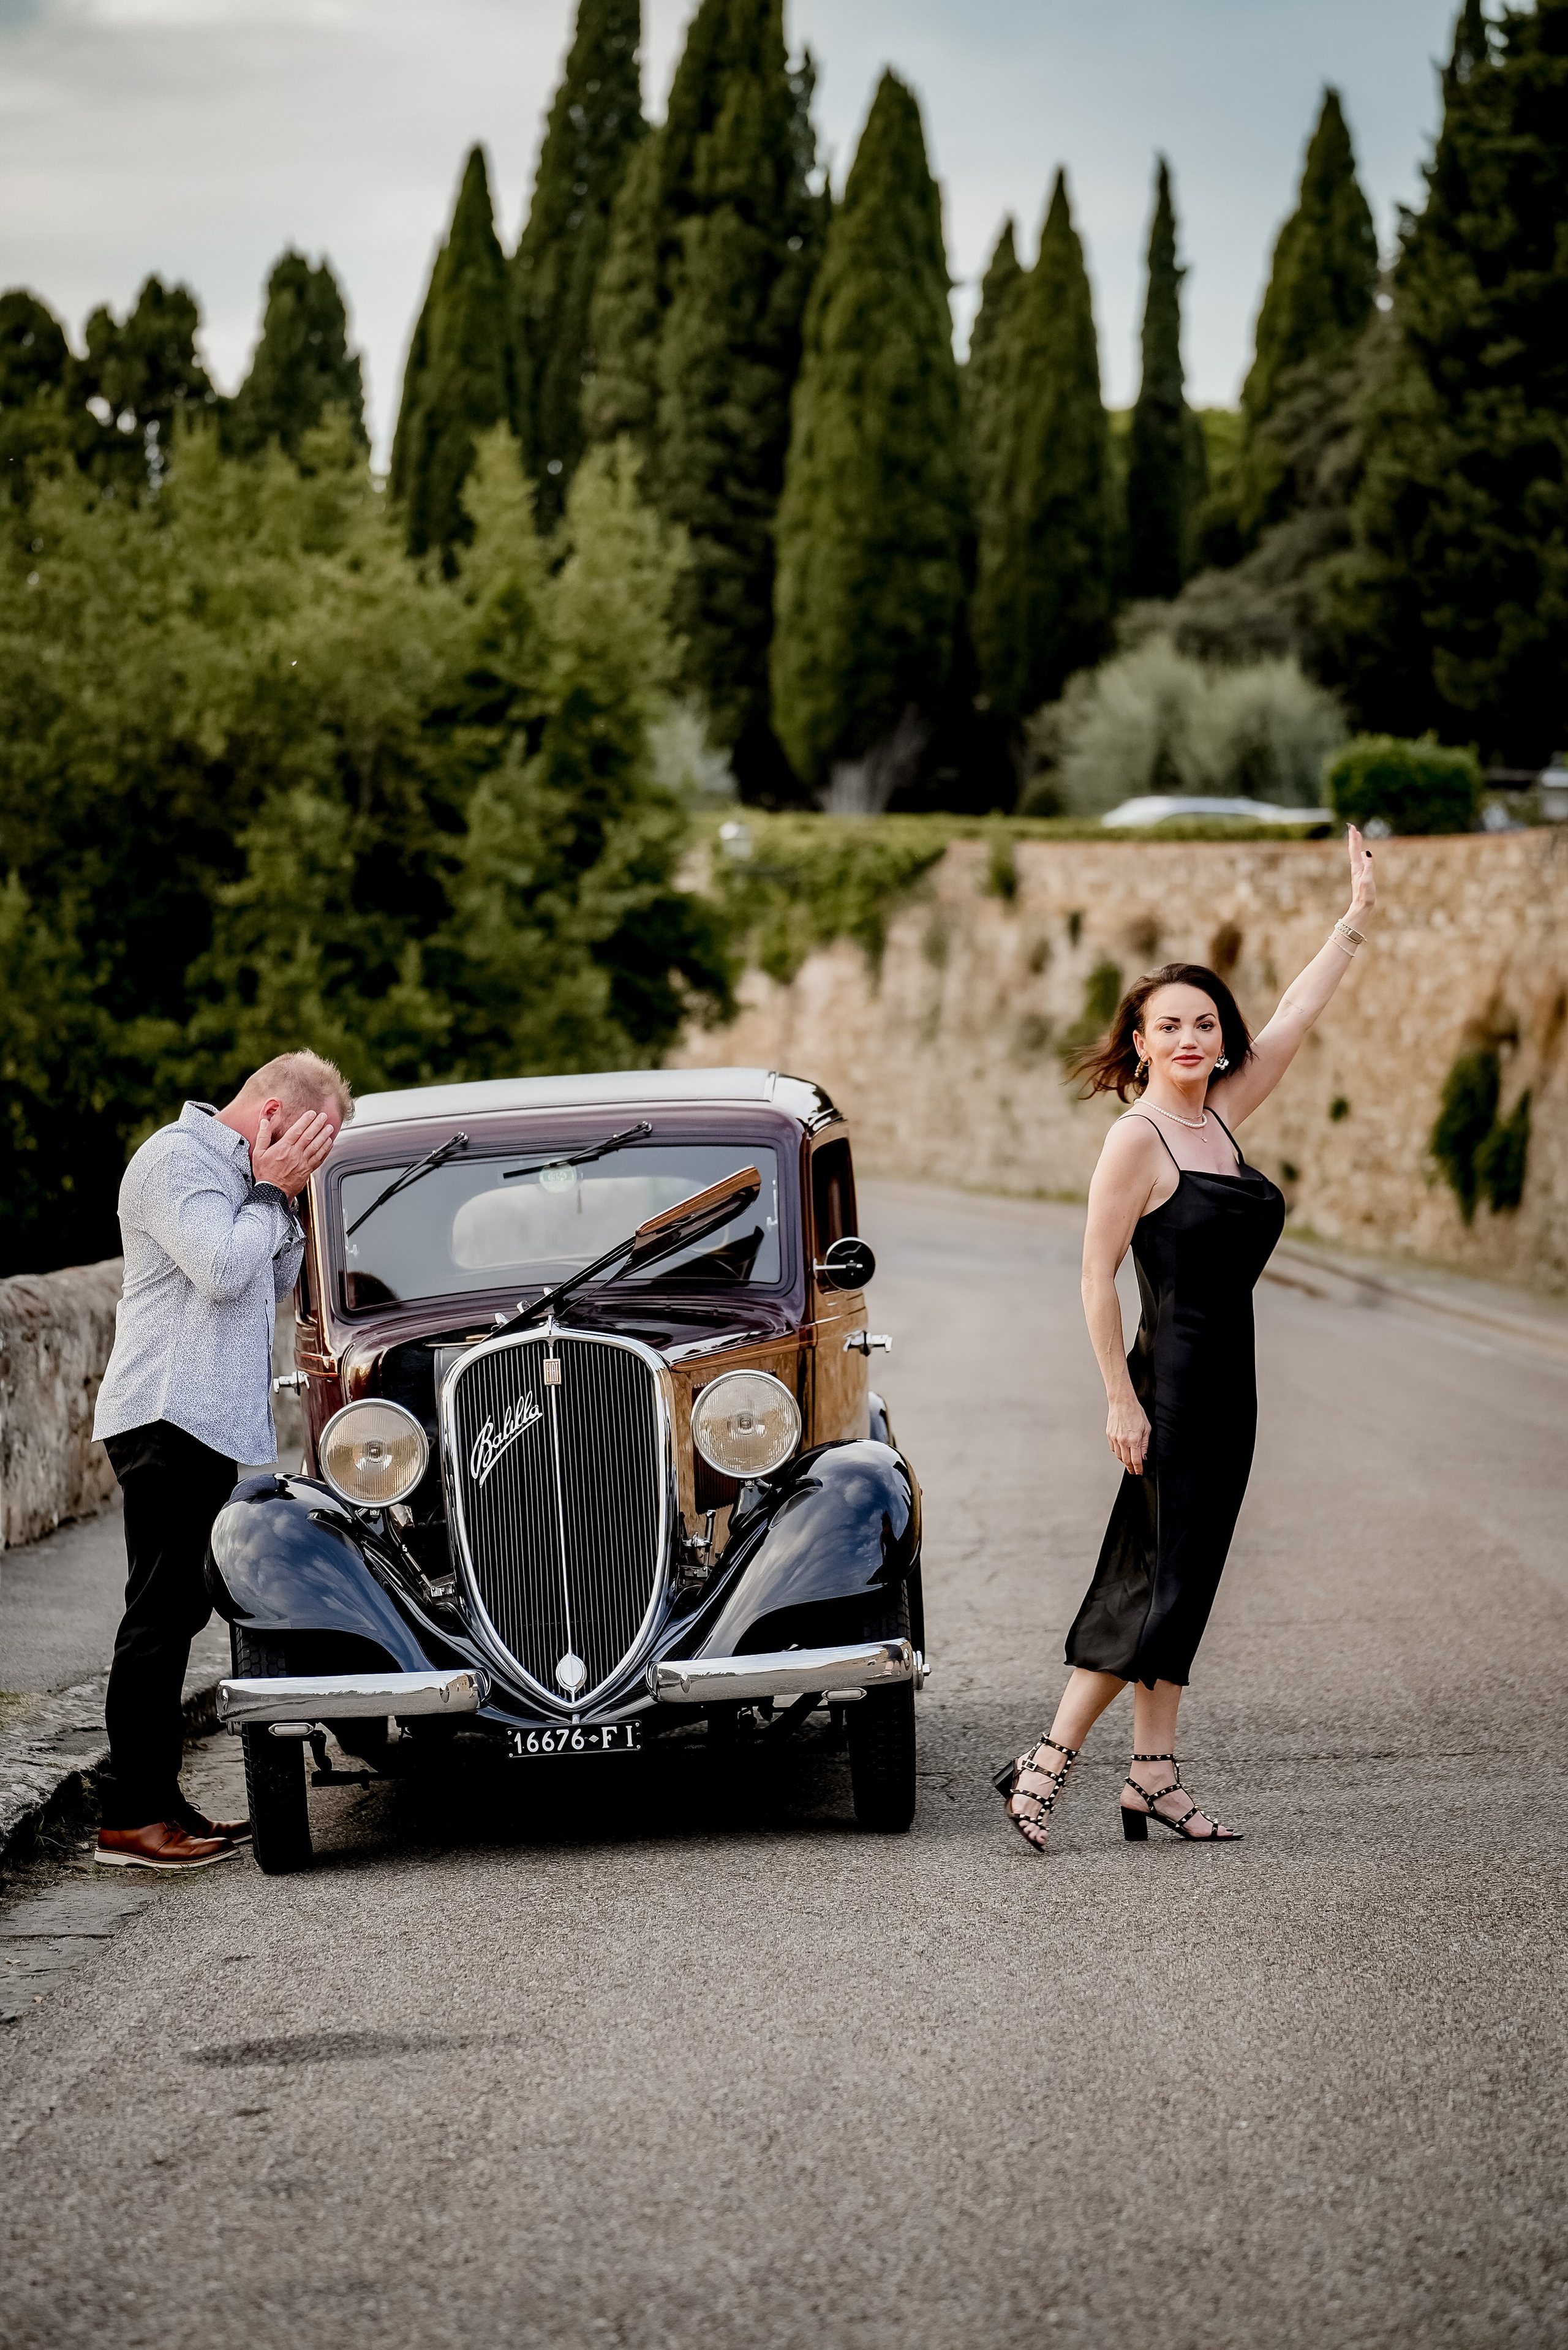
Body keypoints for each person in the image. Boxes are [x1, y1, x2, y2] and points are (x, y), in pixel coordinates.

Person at [996, 827, 1378, 1851]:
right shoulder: (1139, 1139)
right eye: (1169, 1026)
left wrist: (1354, 921)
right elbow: (1094, 1273)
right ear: (1138, 1042)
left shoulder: (1222, 1116)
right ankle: (1046, 1765)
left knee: (1184, 1577)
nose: (1190, 1039)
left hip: (1231, 1390)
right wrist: (1119, 1400)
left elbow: (1295, 1017)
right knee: (1155, 1578)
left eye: (1204, 1023)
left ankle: (1153, 1777)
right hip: (1167, 1388)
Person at [91, 1052, 351, 1870]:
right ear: (274, 1116)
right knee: (159, 1617)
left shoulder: (243, 1177)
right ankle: (130, 1816)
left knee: (181, 1613)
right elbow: (219, 1268)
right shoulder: (177, 1159)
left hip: (208, 1424)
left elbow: (270, 1280)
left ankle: (160, 1800)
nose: (313, 1162)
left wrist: (285, 1197)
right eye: (314, 1144)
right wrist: (271, 1190)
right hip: (166, 1413)